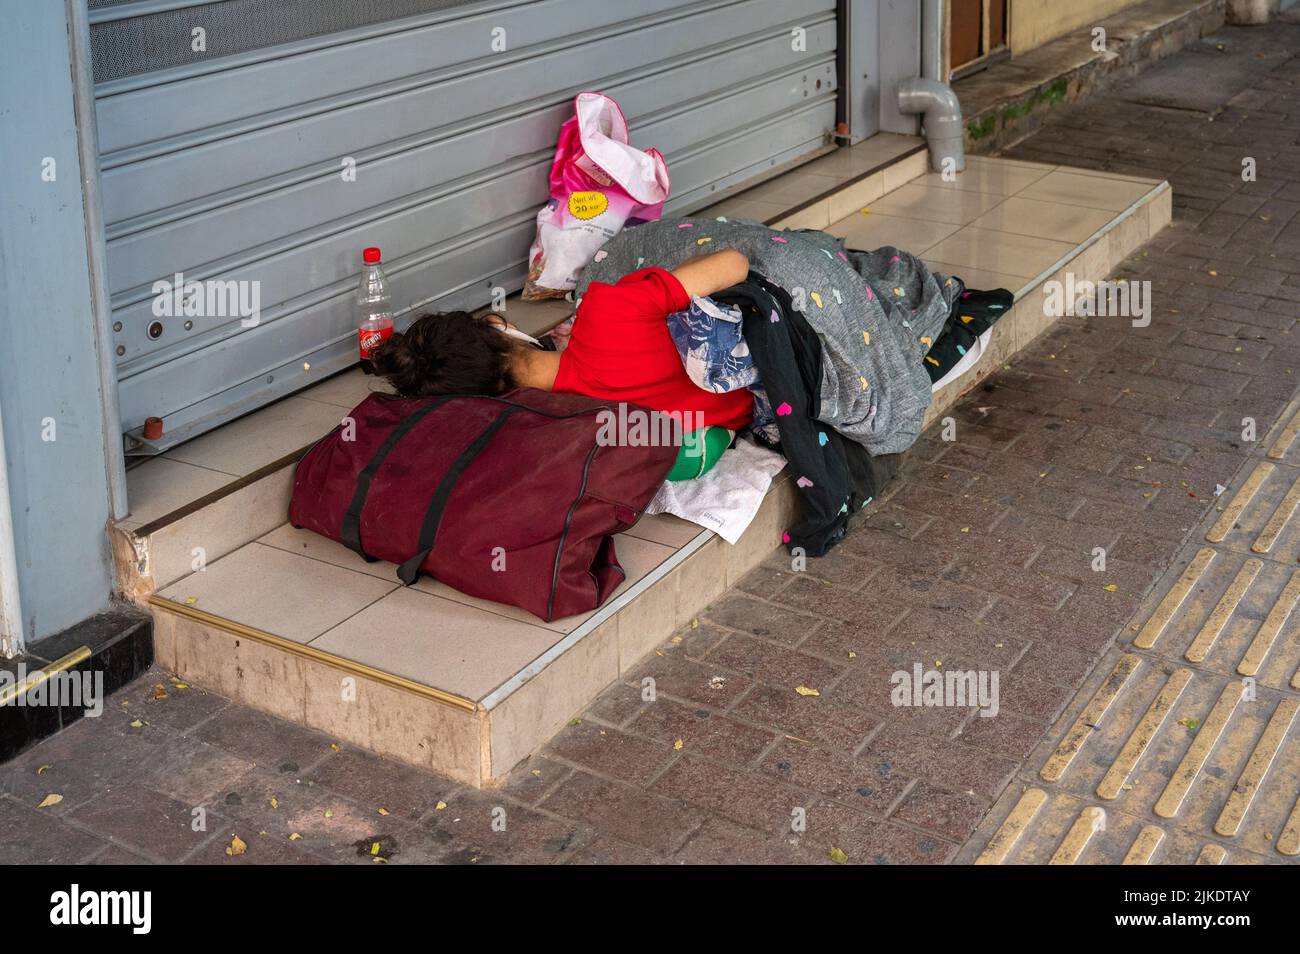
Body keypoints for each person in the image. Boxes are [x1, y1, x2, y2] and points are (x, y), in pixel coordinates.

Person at [371, 249, 754, 433]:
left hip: (744, 419)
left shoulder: (564, 426)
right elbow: (735, 263)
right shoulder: (606, 313)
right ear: (498, 328)